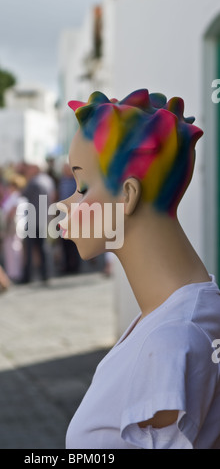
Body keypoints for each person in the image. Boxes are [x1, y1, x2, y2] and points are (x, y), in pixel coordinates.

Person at [58, 89, 220, 449]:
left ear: (127, 196)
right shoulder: (182, 317)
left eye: (82, 186)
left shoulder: (173, 342)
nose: (64, 205)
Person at [21, 164, 55, 284]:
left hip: (33, 218)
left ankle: (28, 276)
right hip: (44, 217)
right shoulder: (48, 180)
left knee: (30, 249)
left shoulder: (34, 182)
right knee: (44, 248)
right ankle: (46, 274)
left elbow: (24, 195)